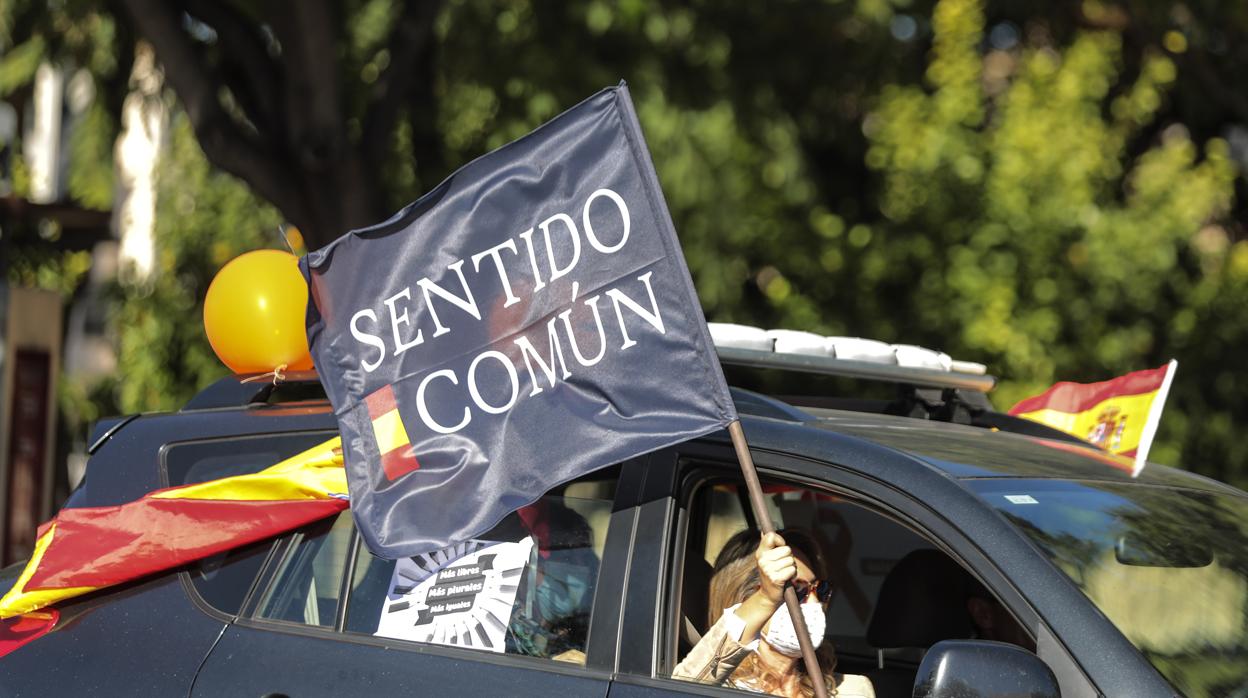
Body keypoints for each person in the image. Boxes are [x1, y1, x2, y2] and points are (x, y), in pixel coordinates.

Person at [673, 528, 875, 698]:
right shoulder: (716, 687)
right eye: (796, 590)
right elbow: (675, 692)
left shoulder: (851, 690)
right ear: (746, 598)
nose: (814, 603)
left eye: (820, 589)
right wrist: (766, 599)